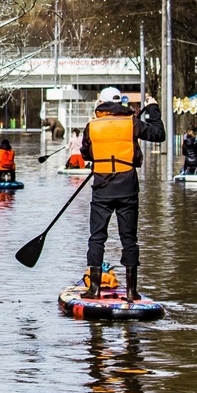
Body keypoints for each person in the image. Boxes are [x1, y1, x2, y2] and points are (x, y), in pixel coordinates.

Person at [79, 87, 166, 301]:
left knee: (97, 237)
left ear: (101, 103)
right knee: (129, 239)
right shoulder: (132, 123)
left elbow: (85, 153)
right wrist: (153, 108)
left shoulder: (91, 126)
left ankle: (94, 289)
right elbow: (159, 134)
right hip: (128, 186)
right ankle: (131, 291)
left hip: (101, 188)